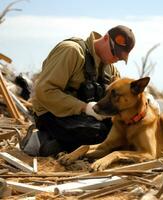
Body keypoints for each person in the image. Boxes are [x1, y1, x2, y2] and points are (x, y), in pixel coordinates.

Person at [21, 25, 136, 157]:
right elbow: (45, 91)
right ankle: (41, 140)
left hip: (85, 119)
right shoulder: (71, 51)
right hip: (53, 113)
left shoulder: (110, 69)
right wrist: (84, 107)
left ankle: (60, 144)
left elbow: (120, 93)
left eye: (120, 58)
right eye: (115, 53)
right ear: (105, 38)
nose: (115, 59)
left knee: (118, 132)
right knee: (98, 134)